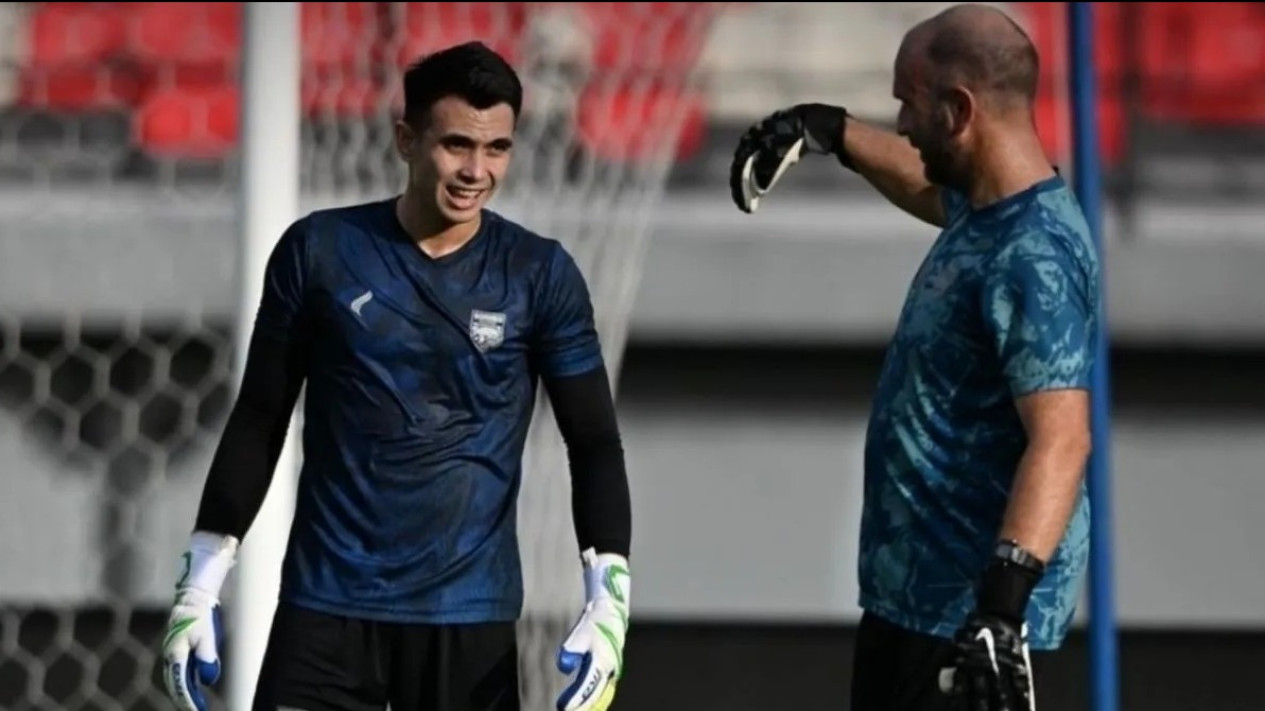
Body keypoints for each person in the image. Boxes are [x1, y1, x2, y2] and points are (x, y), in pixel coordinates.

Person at [160, 41, 632, 711]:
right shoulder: (318, 251)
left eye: (496, 148)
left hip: (467, 618)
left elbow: (593, 442)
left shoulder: (539, 274)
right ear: (406, 139)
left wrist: (607, 598)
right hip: (325, 609)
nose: (476, 170)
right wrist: (199, 584)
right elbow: (260, 416)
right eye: (456, 145)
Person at [729, 4, 1099, 710]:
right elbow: (926, 184)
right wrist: (828, 131)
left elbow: (1062, 437)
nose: (900, 123)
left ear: (958, 110)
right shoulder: (990, 206)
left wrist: (998, 609)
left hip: (959, 623)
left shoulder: (1032, 255)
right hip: (918, 604)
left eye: (909, 103)